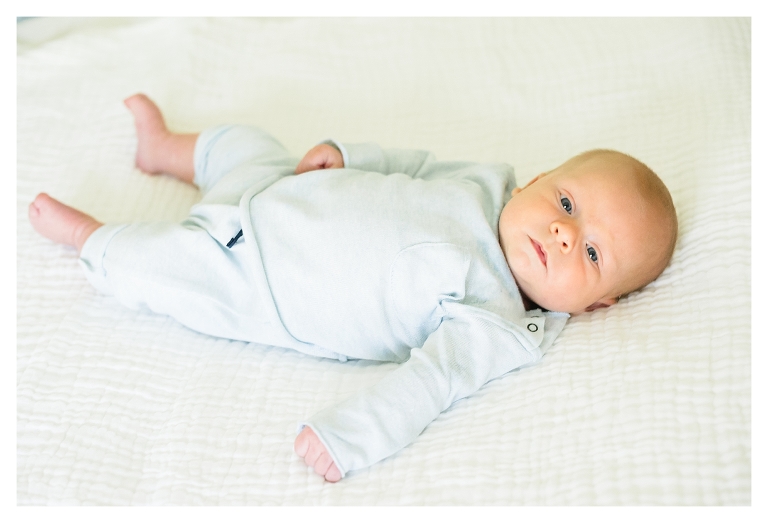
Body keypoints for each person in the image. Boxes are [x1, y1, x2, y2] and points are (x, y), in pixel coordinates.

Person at [28, 94, 678, 483]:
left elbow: (429, 384)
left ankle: (89, 238)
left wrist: (350, 436)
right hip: (280, 182)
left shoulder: (496, 320)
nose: (563, 233)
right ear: (537, 179)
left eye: (592, 252)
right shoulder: (488, 183)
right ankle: (165, 150)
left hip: (255, 280)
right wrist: (349, 155)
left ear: (596, 305)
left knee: (161, 269)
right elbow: (415, 165)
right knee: (243, 143)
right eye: (566, 202)